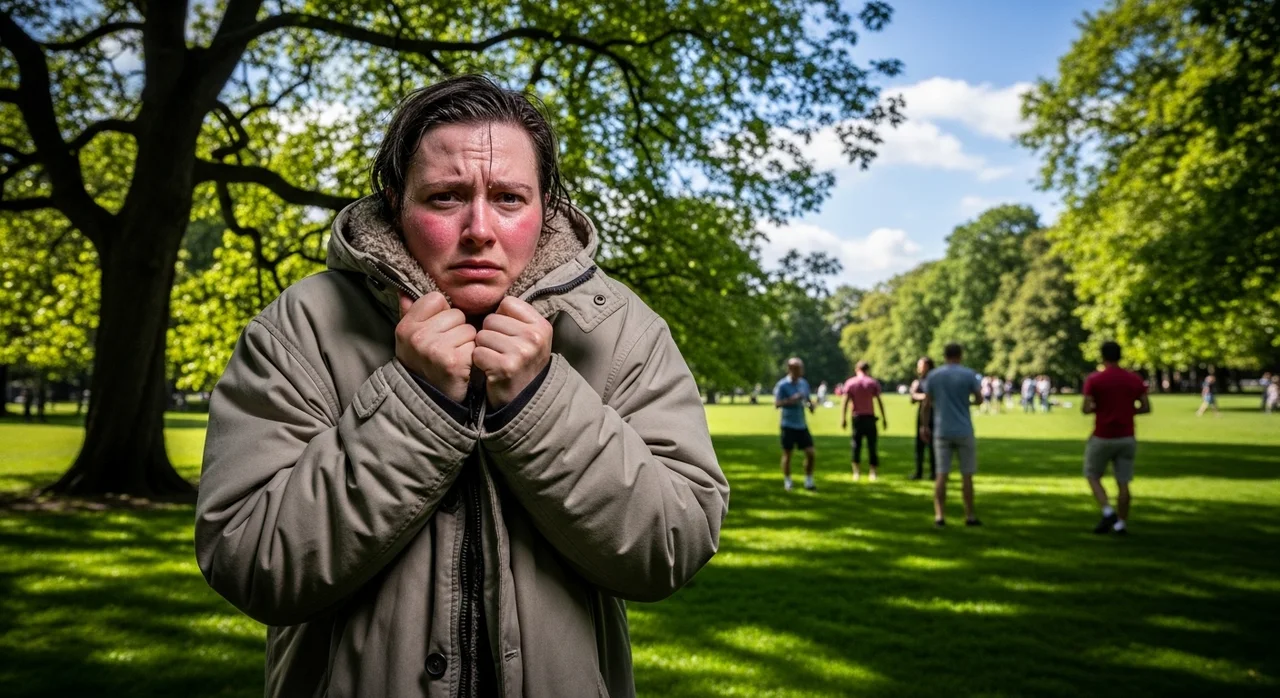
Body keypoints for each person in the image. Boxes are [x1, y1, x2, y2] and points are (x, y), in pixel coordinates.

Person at [194, 76, 729, 698]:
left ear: (546, 207)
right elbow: (252, 562)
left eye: (508, 198)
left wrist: (540, 400)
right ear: (397, 201)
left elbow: (674, 544)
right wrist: (417, 404)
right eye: (446, 198)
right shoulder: (301, 328)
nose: (480, 228)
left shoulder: (618, 327)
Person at [1082, 341, 1151, 535]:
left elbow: (1086, 408)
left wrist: (1101, 408)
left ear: (1102, 356)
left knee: (1092, 475)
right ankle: (1121, 524)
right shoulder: (1133, 379)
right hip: (1127, 436)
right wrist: (1127, 410)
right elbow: (1145, 407)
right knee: (1123, 482)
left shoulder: (1095, 379)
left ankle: (1107, 510)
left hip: (1102, 435)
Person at [920, 343, 983, 528]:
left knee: (941, 475)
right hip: (964, 429)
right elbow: (979, 399)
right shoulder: (968, 374)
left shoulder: (934, 375)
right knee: (967, 475)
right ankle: (969, 515)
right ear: (960, 355)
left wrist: (924, 426)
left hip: (942, 430)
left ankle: (939, 516)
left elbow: (926, 404)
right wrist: (966, 404)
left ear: (945, 355)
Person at [775, 358, 817, 491]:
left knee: (811, 453)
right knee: (788, 454)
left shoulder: (804, 383)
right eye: (798, 369)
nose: (801, 371)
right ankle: (788, 481)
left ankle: (808, 481)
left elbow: (808, 400)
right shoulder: (782, 385)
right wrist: (791, 400)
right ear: (791, 369)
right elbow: (777, 404)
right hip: (788, 424)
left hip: (801, 424)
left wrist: (811, 406)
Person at [841, 360, 887, 482]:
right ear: (868, 370)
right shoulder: (872, 383)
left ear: (857, 369)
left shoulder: (850, 383)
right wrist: (884, 418)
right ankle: (873, 472)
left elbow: (845, 402)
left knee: (856, 445)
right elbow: (879, 401)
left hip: (857, 417)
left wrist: (843, 418)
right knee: (872, 445)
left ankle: (856, 472)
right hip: (870, 418)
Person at [909, 357, 937, 481]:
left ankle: (934, 472)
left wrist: (922, 396)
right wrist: (925, 396)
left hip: (934, 414)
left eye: (921, 365)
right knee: (919, 445)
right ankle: (919, 471)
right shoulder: (918, 382)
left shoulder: (935, 380)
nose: (919, 368)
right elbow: (912, 398)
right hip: (922, 414)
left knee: (934, 445)